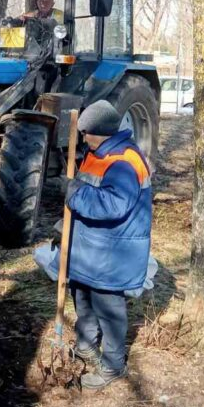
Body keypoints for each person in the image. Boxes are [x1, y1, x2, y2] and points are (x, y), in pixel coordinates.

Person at [64, 100, 152, 390]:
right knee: (83, 298)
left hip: (113, 253)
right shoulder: (100, 153)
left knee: (109, 309)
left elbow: (113, 205)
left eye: (85, 133)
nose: (83, 139)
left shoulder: (124, 161)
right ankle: (87, 344)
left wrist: (74, 194)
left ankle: (113, 365)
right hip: (92, 248)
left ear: (98, 132)